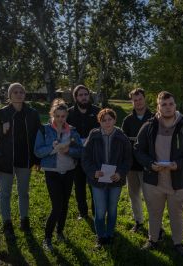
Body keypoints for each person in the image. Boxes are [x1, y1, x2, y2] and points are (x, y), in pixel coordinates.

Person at [134, 91, 183, 256]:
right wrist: (150, 164)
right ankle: (153, 240)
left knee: (176, 214)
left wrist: (178, 164)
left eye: (171, 104)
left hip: (178, 180)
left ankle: (178, 243)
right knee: (154, 212)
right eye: (164, 104)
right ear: (158, 107)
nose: (168, 107)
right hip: (153, 179)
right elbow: (137, 149)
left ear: (175, 105)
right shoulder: (149, 126)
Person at [0, 82, 41, 240]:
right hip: (5, 161)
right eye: (14, 92)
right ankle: (7, 223)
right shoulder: (0, 114)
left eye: (21, 91)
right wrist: (1, 130)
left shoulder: (32, 113)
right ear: (9, 95)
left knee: (24, 193)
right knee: (5, 194)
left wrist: (37, 159)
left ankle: (24, 220)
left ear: (25, 94)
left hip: (25, 160)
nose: (18, 94)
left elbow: (38, 137)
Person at [34, 99, 83, 252]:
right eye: (58, 116)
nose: (61, 119)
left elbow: (81, 151)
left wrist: (69, 151)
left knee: (65, 204)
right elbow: (37, 151)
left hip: (69, 171)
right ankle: (47, 238)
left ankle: (59, 232)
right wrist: (52, 147)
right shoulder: (44, 130)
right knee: (57, 206)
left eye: (63, 116)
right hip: (52, 172)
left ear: (67, 115)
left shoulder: (73, 131)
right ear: (52, 115)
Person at [82, 108, 132, 247]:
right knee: (99, 210)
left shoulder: (122, 136)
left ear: (115, 120)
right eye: (104, 120)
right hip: (98, 180)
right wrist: (93, 172)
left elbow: (128, 159)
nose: (107, 123)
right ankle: (100, 236)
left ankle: (109, 234)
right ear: (100, 122)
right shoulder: (94, 135)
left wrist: (120, 173)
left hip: (115, 180)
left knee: (112, 208)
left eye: (110, 119)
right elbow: (85, 157)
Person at [121, 88, 153, 232]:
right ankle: (139, 222)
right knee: (134, 196)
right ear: (132, 102)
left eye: (140, 99)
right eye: (135, 100)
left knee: (151, 198)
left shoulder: (154, 118)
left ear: (144, 99)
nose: (138, 102)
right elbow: (123, 141)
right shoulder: (127, 120)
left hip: (148, 165)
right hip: (132, 166)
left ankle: (156, 224)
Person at [67, 85, 100, 219]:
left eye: (85, 94)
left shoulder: (98, 111)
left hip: (94, 155)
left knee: (95, 185)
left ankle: (97, 211)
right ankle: (83, 212)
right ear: (76, 97)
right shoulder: (69, 113)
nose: (84, 97)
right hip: (76, 156)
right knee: (79, 185)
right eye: (80, 95)